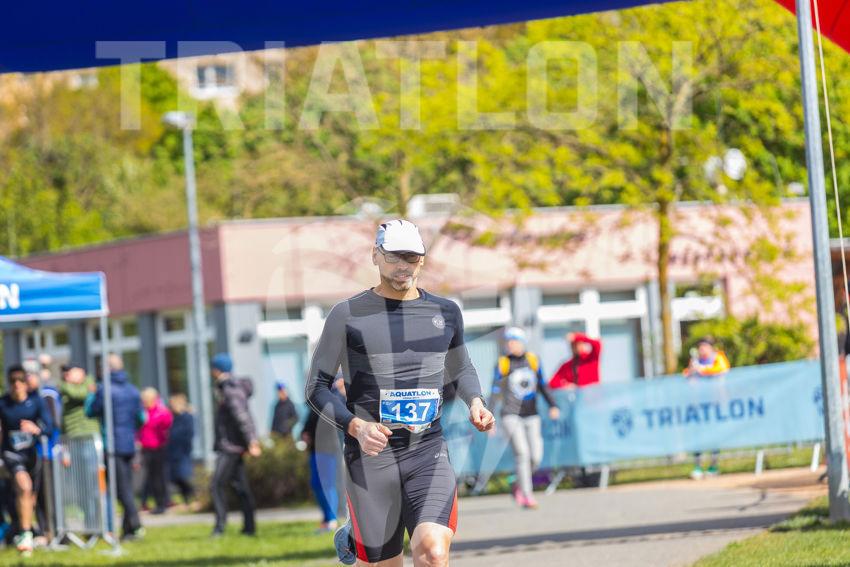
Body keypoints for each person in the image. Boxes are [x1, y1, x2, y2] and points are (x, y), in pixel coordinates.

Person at [305, 219, 495, 567]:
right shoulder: (347, 314)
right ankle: (355, 531)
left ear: (422, 260)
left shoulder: (445, 312)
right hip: (371, 460)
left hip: (427, 453)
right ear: (375, 256)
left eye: (411, 257)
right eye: (393, 256)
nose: (403, 265)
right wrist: (357, 427)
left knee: (433, 553)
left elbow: (461, 367)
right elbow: (316, 387)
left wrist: (475, 401)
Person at [489, 327, 559, 509]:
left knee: (536, 457)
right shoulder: (503, 363)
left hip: (532, 414)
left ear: (522, 342)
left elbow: (543, 384)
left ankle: (517, 483)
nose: (510, 345)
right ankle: (528, 496)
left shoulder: (533, 360)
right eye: (508, 341)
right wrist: (490, 416)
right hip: (511, 415)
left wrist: (553, 405)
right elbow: (495, 391)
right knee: (522, 454)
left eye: (514, 341)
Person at [87, 354, 144, 540]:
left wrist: (91, 394)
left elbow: (90, 411)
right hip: (128, 444)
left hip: (112, 445)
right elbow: (141, 418)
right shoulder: (132, 390)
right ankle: (128, 530)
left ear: (107, 369)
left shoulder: (104, 390)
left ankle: (136, 524)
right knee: (125, 487)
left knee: (121, 490)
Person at [0, 364, 53, 556]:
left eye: (20, 380)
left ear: (25, 382)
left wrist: (36, 429)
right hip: (11, 454)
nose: (16, 384)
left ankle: (26, 532)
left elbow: (49, 427)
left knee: (30, 497)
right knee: (24, 487)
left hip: (31, 455)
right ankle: (25, 534)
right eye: (12, 381)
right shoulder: (3, 403)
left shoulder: (36, 401)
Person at [210, 352, 261, 537]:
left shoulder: (229, 389)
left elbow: (241, 416)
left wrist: (251, 441)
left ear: (217, 370)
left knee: (217, 485)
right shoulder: (229, 387)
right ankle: (249, 527)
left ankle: (220, 527)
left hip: (230, 446)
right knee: (240, 486)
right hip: (234, 445)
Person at [302, 375, 345, 533]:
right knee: (316, 484)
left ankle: (332, 519)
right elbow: (310, 420)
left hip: (329, 448)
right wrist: (304, 432)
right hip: (315, 448)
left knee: (328, 484)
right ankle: (326, 518)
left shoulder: (336, 398)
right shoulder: (317, 397)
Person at [684, 337, 731, 479]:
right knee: (697, 436)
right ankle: (698, 466)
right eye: (700, 347)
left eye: (704, 346)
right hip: (699, 405)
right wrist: (692, 370)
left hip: (715, 404)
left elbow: (722, 369)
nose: (702, 350)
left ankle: (713, 466)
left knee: (715, 434)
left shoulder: (718, 358)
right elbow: (686, 375)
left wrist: (701, 369)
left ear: (711, 348)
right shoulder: (695, 361)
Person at [138, 388, 173, 515]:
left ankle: (162, 503)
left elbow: (167, 426)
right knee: (150, 477)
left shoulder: (161, 412)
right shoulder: (143, 412)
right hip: (146, 448)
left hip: (159, 448)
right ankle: (152, 502)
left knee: (159, 477)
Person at [166, 394, 196, 507]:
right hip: (173, 450)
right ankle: (187, 499)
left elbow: (188, 434)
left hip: (182, 451)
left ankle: (191, 497)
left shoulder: (186, 417)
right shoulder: (174, 417)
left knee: (182, 476)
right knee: (174, 477)